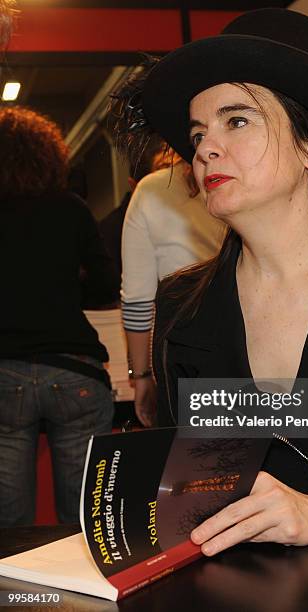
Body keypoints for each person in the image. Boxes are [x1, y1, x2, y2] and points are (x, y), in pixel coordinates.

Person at [116, 9, 308, 566]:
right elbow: (184, 498)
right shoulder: (184, 311)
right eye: (198, 134)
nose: (205, 149)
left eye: (236, 121)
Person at [0, 106, 119, 526]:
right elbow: (107, 285)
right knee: (85, 521)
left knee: (7, 527)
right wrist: (65, 286)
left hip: (3, 375)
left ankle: (13, 592)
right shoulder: (70, 208)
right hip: (73, 369)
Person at [119, 140, 224, 426]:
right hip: (246, 331)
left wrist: (141, 376)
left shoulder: (151, 191)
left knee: (192, 461)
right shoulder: (237, 178)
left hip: (184, 343)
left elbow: (137, 299)